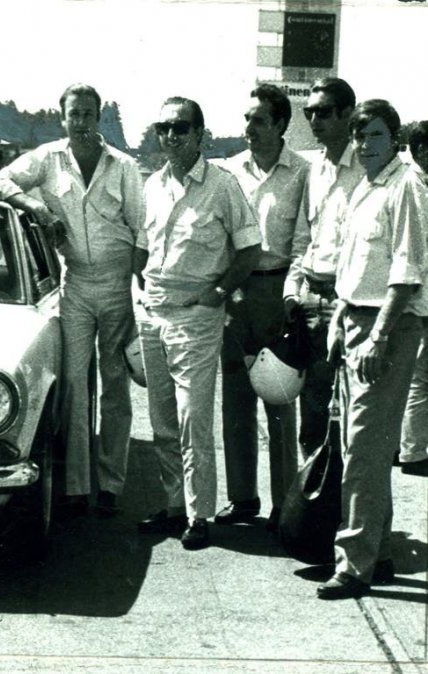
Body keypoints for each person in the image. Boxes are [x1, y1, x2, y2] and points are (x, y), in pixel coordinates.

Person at [0, 83, 145, 519]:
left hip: (118, 287)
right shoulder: (49, 158)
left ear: (99, 119)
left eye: (88, 114)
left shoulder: (123, 166)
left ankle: (111, 484)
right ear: (63, 117)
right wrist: (36, 208)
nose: (80, 122)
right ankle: (77, 487)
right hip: (76, 284)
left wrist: (139, 288)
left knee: (115, 386)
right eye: (73, 114)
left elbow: (142, 230)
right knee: (75, 386)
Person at [134, 97, 261, 550]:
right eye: (163, 127)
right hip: (154, 313)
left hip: (197, 317)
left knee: (193, 420)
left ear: (200, 134)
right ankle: (173, 506)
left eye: (181, 128)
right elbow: (143, 247)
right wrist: (141, 291)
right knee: (163, 420)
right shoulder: (151, 185)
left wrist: (220, 292)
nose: (171, 135)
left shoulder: (222, 186)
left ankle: (198, 513)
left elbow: (250, 249)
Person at [317, 100, 428, 599]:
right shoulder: (367, 185)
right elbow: (353, 264)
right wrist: (342, 316)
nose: (365, 145)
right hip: (357, 318)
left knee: (363, 449)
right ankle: (377, 552)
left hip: (391, 325)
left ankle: (352, 566)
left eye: (376, 135)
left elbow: (407, 271)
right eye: (360, 135)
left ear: (396, 138)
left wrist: (380, 336)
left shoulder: (407, 186)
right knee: (361, 447)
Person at [216, 84, 309, 532]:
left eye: (258, 120)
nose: (248, 128)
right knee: (235, 398)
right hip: (237, 291)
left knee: (279, 398)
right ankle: (242, 498)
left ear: (280, 125)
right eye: (246, 119)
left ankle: (285, 504)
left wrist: (293, 294)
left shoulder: (303, 173)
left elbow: (305, 241)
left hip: (278, 292)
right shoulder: (230, 171)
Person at [283, 78, 362, 457]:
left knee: (351, 415)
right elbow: (303, 239)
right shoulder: (313, 169)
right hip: (311, 299)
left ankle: (349, 510)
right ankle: (311, 508)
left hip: (349, 303)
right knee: (312, 413)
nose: (315, 120)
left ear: (349, 114)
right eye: (308, 112)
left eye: (324, 112)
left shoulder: (367, 169)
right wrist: (292, 290)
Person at [398, 121, 428, 477]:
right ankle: (413, 451)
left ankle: (404, 446)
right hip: (418, 295)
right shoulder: (415, 186)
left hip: (415, 294)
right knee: (420, 375)